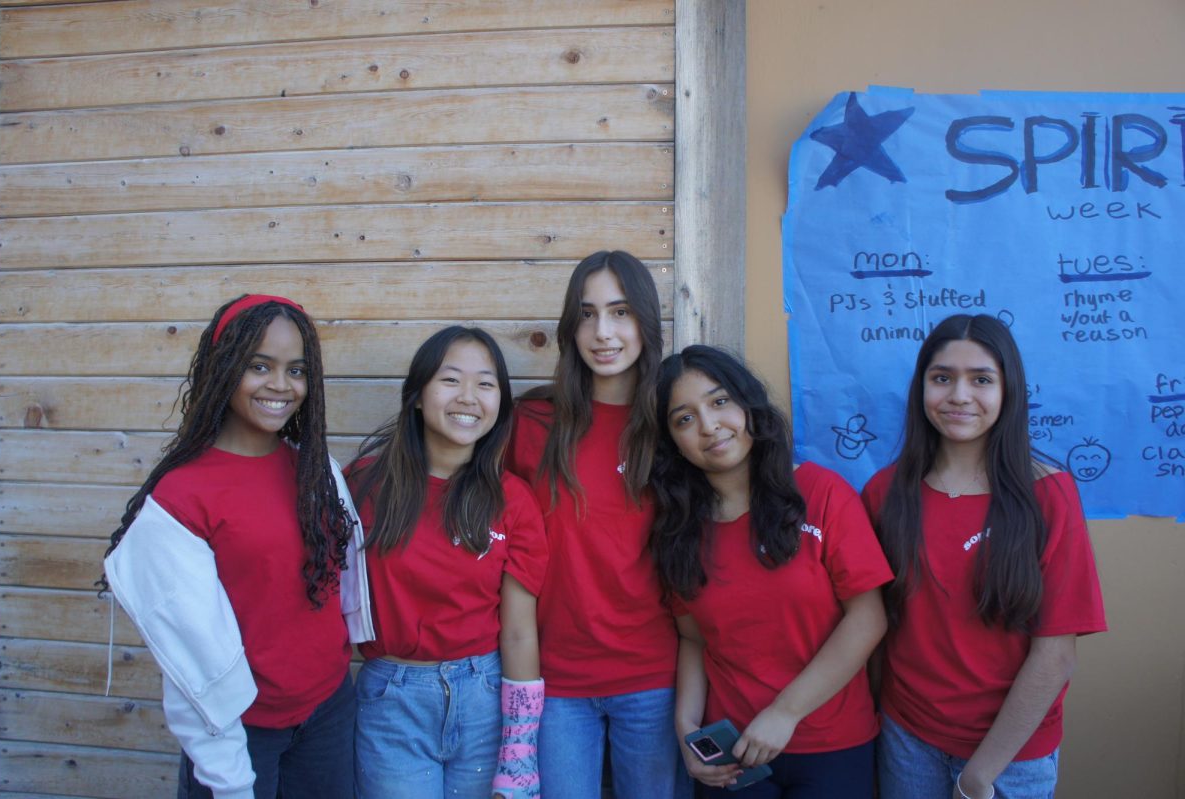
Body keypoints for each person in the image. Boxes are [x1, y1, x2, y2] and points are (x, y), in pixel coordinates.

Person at [101, 294, 373, 799]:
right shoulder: (181, 497)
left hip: (329, 710)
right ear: (223, 368)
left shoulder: (316, 470)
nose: (280, 385)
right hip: (238, 732)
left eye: (296, 370)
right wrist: (227, 780)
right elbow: (191, 656)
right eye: (258, 366)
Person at [862, 313, 1107, 799]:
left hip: (1011, 757)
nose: (958, 395)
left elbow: (1055, 656)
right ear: (921, 389)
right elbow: (872, 627)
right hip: (906, 741)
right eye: (942, 378)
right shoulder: (884, 493)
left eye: (981, 379)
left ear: (1008, 391)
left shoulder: (1049, 495)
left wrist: (979, 776)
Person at [649, 345, 891, 798]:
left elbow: (868, 618)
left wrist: (786, 712)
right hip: (733, 756)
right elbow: (693, 639)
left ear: (748, 404)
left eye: (720, 402)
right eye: (684, 418)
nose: (709, 426)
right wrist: (686, 728)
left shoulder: (821, 493)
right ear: (672, 443)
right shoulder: (679, 531)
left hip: (832, 743)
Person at [507, 251, 689, 798]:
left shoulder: (675, 426)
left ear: (645, 323)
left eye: (620, 312)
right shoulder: (531, 424)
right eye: (587, 314)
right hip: (555, 684)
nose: (603, 332)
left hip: (653, 680)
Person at [344, 326, 547, 799]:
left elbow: (518, 631)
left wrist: (520, 751)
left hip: (484, 697)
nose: (469, 397)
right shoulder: (363, 488)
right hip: (391, 701)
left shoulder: (513, 501)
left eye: (486, 383)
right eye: (451, 380)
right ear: (417, 396)